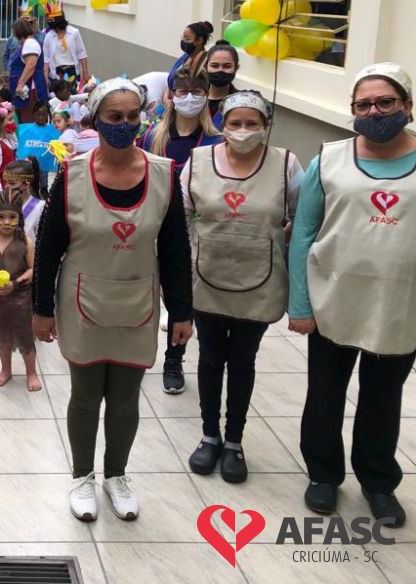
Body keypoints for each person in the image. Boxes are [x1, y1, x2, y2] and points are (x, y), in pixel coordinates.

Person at [32, 78, 193, 522]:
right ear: (95, 120)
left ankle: (116, 475)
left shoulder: (163, 175)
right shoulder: (71, 176)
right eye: (114, 117)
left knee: (125, 397)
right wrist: (41, 308)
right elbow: (48, 246)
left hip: (138, 302)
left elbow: (176, 249)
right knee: (86, 395)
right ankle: (82, 476)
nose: (124, 124)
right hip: (82, 302)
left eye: (132, 116)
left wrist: (182, 310)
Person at [289, 62, 416, 527]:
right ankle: (323, 475)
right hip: (333, 301)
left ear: (407, 105)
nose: (374, 111)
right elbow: (303, 233)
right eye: (363, 105)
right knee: (324, 393)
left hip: (400, 306)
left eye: (385, 102)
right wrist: (300, 304)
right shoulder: (330, 160)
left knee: (383, 398)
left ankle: (379, 482)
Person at [182, 91, 302, 483]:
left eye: (252, 123)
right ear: (223, 124)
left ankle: (234, 440)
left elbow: (302, 218)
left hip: (260, 281)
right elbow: (181, 214)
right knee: (210, 357)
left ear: (266, 125)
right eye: (235, 123)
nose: (243, 131)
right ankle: (209, 435)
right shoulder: (199, 162)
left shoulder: (286, 164)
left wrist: (278, 242)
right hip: (207, 276)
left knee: (243, 361)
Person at [141, 68, 221, 394]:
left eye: (197, 91)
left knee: (181, 297)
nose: (189, 98)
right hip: (151, 224)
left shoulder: (216, 142)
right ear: (170, 95)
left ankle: (173, 360)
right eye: (182, 91)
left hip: (193, 231)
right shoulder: (152, 136)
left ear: (206, 95)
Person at [0, 189, 39, 391]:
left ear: (19, 217)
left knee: (24, 335)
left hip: (21, 297)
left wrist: (16, 283)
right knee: (1, 334)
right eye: (1, 217)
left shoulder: (25, 242)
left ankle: (31, 372)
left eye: (12, 217)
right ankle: (6, 369)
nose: (6, 222)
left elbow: (33, 269)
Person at [8, 17, 47, 119]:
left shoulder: (30, 43)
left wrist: (20, 84)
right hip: (27, 91)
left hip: (30, 91)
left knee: (28, 120)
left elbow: (31, 64)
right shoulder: (28, 43)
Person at [16, 101, 59, 193]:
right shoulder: (26, 129)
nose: (41, 117)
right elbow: (23, 145)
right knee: (31, 181)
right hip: (30, 163)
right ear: (33, 114)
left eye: (44, 115)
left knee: (44, 179)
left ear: (48, 115)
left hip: (45, 163)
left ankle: (44, 190)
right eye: (38, 114)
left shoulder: (53, 130)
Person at [42, 8, 89, 89]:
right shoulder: (49, 36)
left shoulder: (74, 33)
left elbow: (82, 54)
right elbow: (46, 58)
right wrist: (45, 77)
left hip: (72, 71)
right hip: (56, 74)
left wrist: (85, 73)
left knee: (73, 94)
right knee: (57, 96)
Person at [2, 158, 45, 244]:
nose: (6, 186)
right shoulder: (2, 203)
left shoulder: (40, 207)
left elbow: (42, 241)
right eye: (5, 182)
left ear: (26, 184)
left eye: (12, 183)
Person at [167, 20, 213, 89]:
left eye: (187, 39)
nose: (183, 41)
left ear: (199, 41)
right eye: (183, 38)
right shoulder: (185, 56)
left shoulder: (205, 61)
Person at [203, 42, 239, 127]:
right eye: (214, 65)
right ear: (206, 66)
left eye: (227, 66)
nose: (220, 70)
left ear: (236, 68)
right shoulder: (193, 98)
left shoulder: (240, 103)